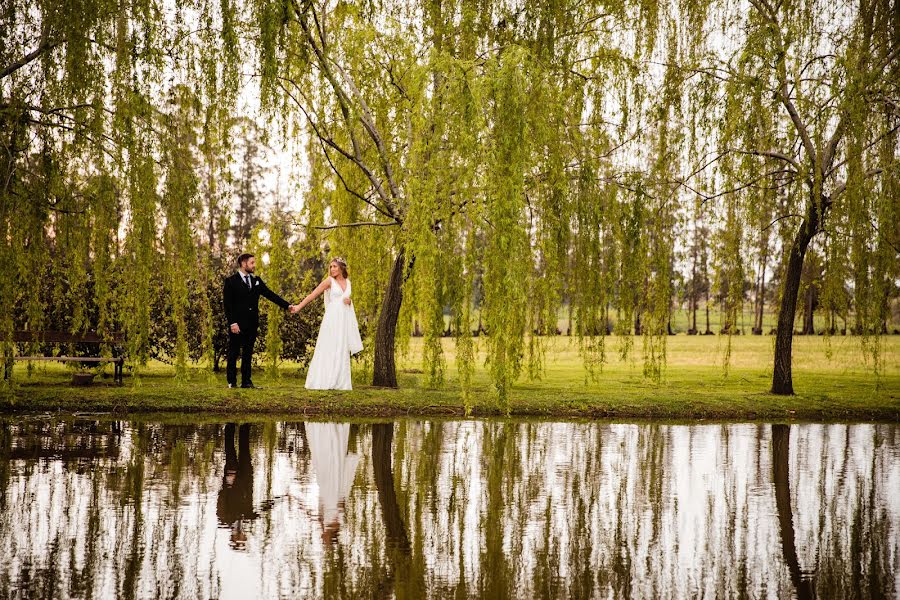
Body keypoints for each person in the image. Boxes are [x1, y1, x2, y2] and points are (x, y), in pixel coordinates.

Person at [223, 253, 298, 389]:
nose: (254, 265)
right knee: (233, 352)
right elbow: (228, 305)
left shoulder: (256, 280)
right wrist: (232, 323)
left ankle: (246, 382)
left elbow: (270, 294)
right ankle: (231, 382)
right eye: (252, 263)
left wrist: (287, 306)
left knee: (248, 352)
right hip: (237, 324)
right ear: (243, 264)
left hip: (252, 323)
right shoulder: (230, 281)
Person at [291, 257, 363, 390]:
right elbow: (313, 294)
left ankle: (340, 382)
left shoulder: (348, 282)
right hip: (332, 320)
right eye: (330, 267)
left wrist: (350, 302)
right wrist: (298, 307)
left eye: (335, 266)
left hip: (343, 321)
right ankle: (323, 380)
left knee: (341, 348)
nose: (332, 269)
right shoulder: (329, 281)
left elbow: (346, 299)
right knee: (329, 348)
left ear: (342, 268)